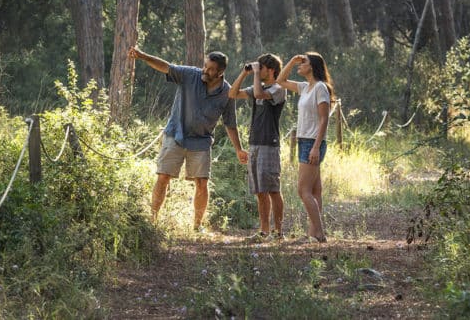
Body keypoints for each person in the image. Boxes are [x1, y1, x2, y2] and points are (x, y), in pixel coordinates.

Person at [128, 46, 248, 231]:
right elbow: (166, 67)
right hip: (175, 135)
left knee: (202, 182)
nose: (205, 70)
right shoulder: (190, 74)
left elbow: (230, 123)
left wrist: (239, 149)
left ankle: (197, 226)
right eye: (205, 66)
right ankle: (152, 221)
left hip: (201, 142)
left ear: (220, 72)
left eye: (210, 69)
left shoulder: (227, 92)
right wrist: (143, 56)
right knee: (163, 177)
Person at [277, 52, 333, 243]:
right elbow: (280, 80)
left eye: (303, 63)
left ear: (312, 66)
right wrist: (292, 61)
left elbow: (324, 119)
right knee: (315, 191)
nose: (300, 65)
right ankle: (313, 233)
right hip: (304, 140)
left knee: (303, 190)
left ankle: (319, 233)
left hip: (312, 142)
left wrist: (316, 147)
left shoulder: (320, 87)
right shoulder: (304, 87)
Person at [228, 53, 286, 240]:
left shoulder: (279, 89)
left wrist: (254, 74)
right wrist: (244, 73)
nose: (258, 71)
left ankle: (278, 232)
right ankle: (264, 231)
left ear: (271, 70)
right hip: (254, 143)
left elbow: (260, 94)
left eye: (261, 68)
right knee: (260, 191)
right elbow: (232, 94)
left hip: (269, 144)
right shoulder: (256, 87)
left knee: (273, 189)